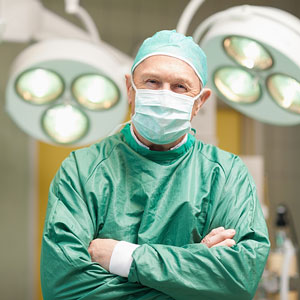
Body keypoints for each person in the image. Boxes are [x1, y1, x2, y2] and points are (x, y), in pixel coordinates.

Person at [41, 30, 270, 300]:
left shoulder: (226, 175)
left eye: (180, 87)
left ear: (200, 102)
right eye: (152, 82)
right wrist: (195, 271)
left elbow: (239, 280)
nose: (164, 96)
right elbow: (65, 288)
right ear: (130, 89)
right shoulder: (82, 171)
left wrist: (124, 258)